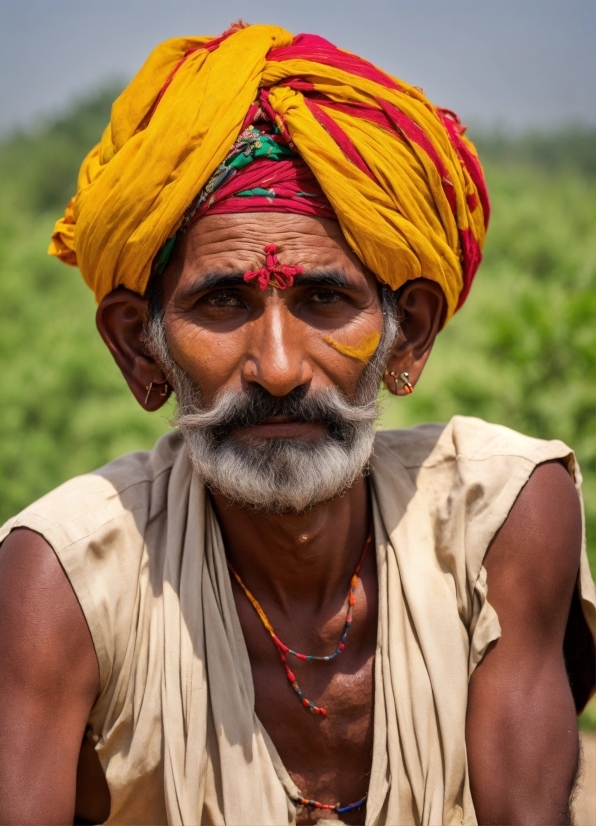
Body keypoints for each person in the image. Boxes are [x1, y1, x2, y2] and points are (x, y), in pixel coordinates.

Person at [0, 22, 594, 826]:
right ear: (140, 346)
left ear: (406, 333)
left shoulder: (498, 519)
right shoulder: (65, 580)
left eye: (324, 300)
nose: (277, 366)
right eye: (222, 303)